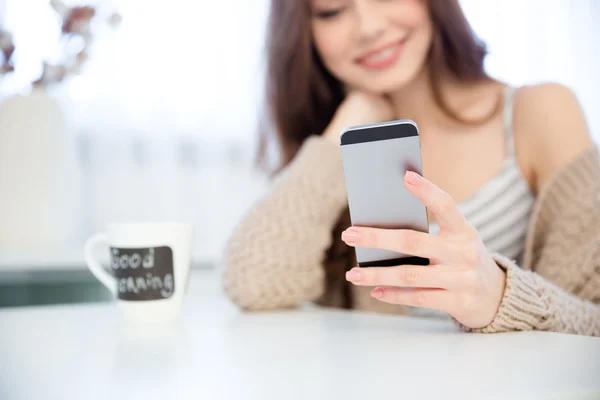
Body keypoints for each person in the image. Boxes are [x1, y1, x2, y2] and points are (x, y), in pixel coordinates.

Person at [221, 0, 600, 336]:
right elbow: (254, 282)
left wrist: (499, 295)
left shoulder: (539, 111)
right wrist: (342, 132)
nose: (369, 28)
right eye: (332, 11)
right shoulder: (334, 153)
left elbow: (593, 320)